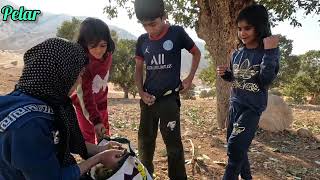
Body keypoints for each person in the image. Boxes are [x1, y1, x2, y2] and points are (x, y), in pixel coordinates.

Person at [0, 38, 124, 180]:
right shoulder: (30, 126)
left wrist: (101, 149)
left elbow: (63, 141)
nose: (79, 81)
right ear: (63, 74)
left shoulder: (38, 99)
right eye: (80, 74)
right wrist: (98, 159)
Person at [134, 0, 201, 179]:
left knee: (173, 146)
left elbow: (196, 52)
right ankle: (145, 176)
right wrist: (141, 93)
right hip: (148, 101)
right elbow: (139, 69)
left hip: (169, 100)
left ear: (164, 17)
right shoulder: (142, 40)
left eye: (153, 24)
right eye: (144, 25)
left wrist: (189, 78)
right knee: (145, 143)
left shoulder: (177, 33)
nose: (149, 29)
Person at [217, 4, 280, 180]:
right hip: (234, 106)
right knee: (238, 146)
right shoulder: (237, 54)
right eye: (239, 29)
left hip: (252, 108)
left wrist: (271, 50)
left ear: (259, 28)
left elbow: (266, 79)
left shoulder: (267, 52)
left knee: (235, 147)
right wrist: (226, 74)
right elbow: (236, 79)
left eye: (247, 28)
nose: (242, 33)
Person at [71, 17, 114, 144]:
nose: (99, 50)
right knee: (88, 138)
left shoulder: (108, 54)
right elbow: (85, 95)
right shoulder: (84, 64)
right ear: (84, 44)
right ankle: (91, 163)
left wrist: (100, 119)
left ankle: (106, 162)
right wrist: (96, 120)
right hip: (84, 106)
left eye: (102, 45)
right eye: (93, 46)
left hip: (102, 103)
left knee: (104, 136)